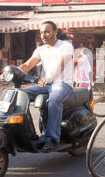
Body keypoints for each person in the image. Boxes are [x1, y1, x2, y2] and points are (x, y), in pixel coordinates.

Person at [17, 21, 74, 152]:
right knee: (20, 94)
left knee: (54, 100)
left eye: (47, 32)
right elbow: (27, 65)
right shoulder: (40, 50)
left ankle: (52, 139)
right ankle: (30, 134)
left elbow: (62, 64)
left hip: (63, 83)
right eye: (41, 32)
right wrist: (11, 72)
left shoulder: (65, 46)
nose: (43, 35)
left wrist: (50, 77)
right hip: (46, 84)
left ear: (55, 31)